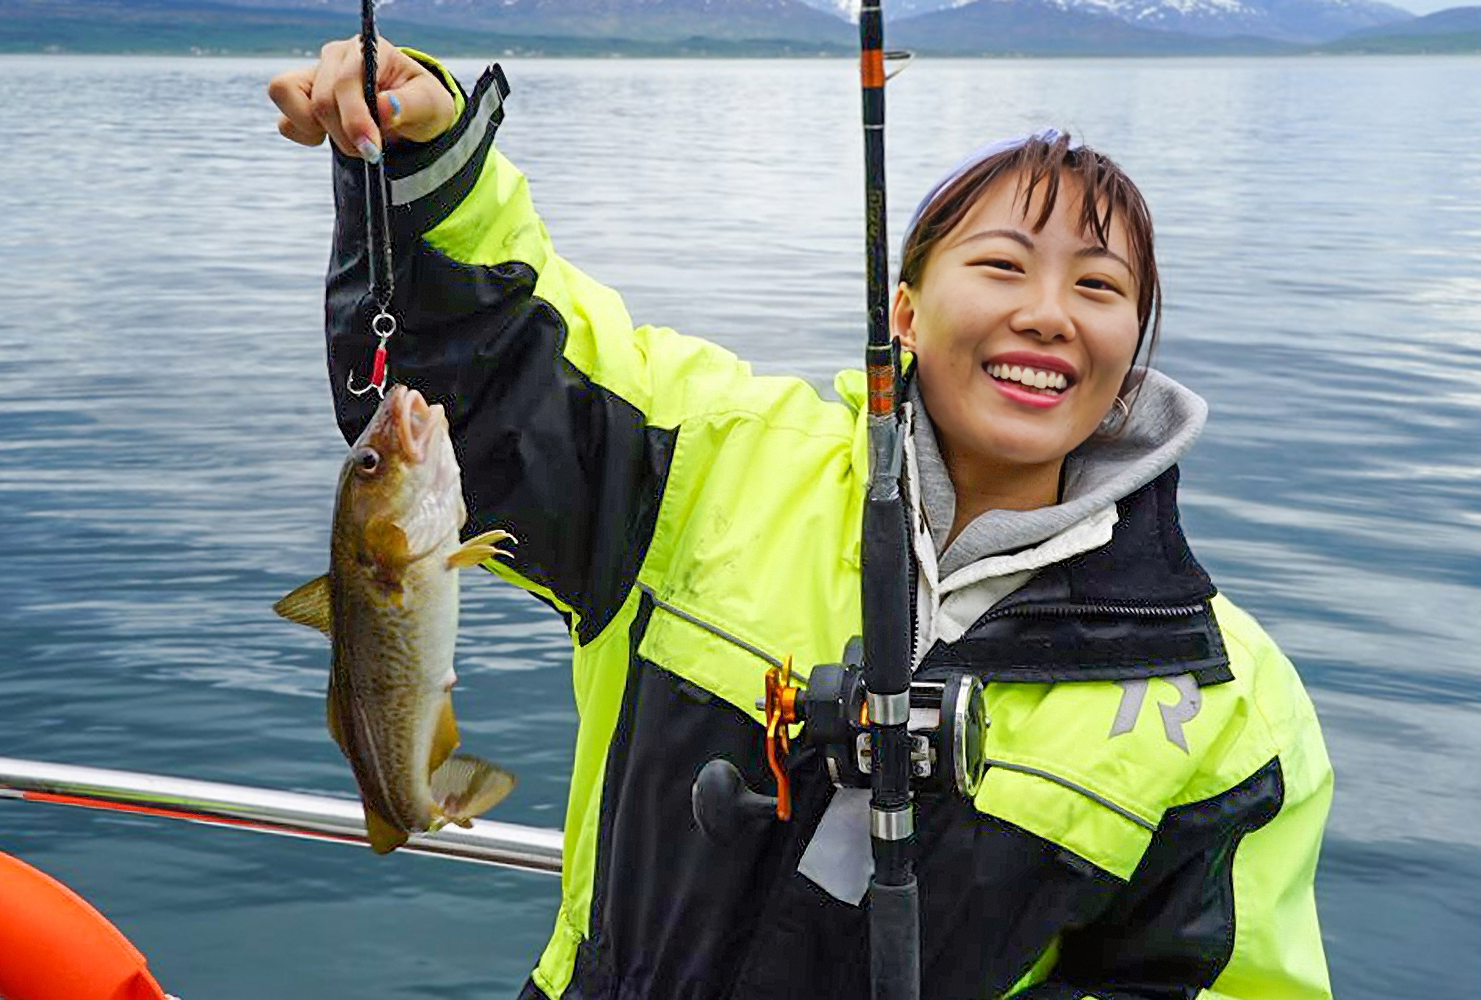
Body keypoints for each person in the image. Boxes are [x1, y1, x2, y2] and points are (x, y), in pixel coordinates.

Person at [269, 38, 1334, 1000]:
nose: (1047, 313)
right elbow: (499, 371)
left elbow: (1207, 982)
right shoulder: (707, 459)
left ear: (1133, 345)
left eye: (1098, 287)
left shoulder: (1228, 703)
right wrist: (424, 154)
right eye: (1002, 265)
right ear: (904, 314)